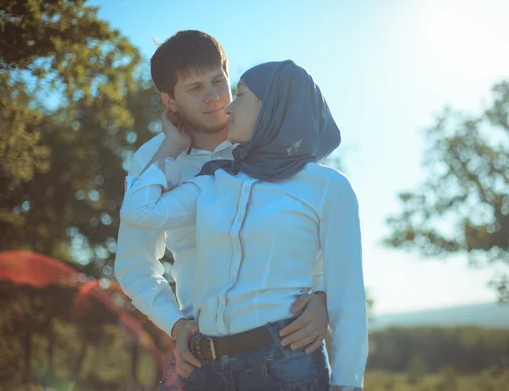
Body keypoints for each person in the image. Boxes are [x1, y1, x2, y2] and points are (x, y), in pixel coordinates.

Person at [121, 60, 367, 390]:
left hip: (286, 363)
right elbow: (140, 211)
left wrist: (347, 384)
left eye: (238, 95)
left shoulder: (327, 186)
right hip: (203, 364)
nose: (228, 107)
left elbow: (348, 298)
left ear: (272, 107)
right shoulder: (215, 179)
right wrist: (170, 147)